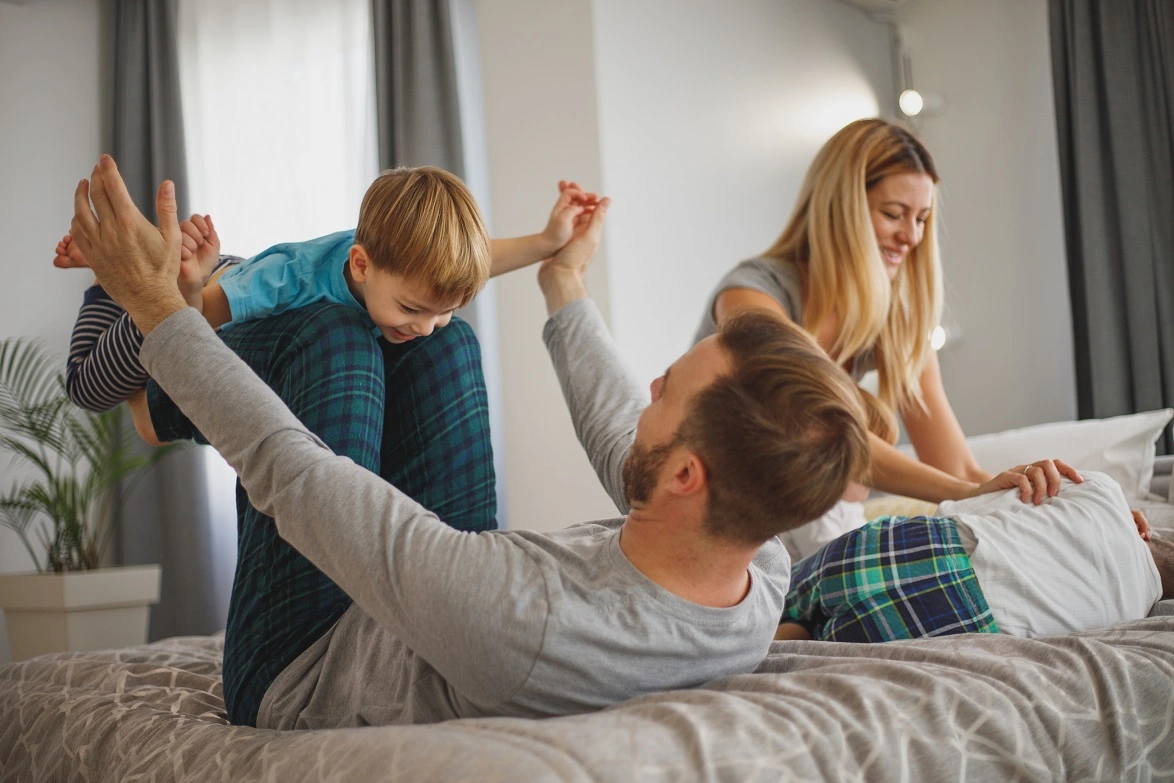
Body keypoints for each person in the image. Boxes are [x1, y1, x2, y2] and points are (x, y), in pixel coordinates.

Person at [69, 153, 886, 728]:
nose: (656, 381)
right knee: (439, 336)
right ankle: (205, 314)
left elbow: (299, 475)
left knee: (333, 331)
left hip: (302, 663)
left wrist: (159, 311)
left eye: (674, 384)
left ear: (684, 474)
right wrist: (561, 281)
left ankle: (152, 402)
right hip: (431, 607)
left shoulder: (522, 621)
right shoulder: (757, 559)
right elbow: (619, 437)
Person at [695, 119, 1019, 557]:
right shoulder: (751, 296)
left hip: (801, 527)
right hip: (715, 519)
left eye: (922, 219)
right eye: (893, 214)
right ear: (839, 208)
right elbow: (827, 434)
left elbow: (957, 467)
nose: (912, 237)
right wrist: (962, 493)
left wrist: (1036, 501)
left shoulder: (892, 318)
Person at [56, 166, 599, 413]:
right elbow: (188, 320)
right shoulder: (288, 278)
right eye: (413, 309)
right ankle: (110, 271)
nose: (425, 328)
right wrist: (177, 286)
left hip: (237, 282)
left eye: (444, 313)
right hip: (204, 292)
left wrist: (549, 241)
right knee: (91, 385)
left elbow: (477, 262)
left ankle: (151, 252)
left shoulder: (402, 268)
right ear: (360, 265)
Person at [776, 470, 1172, 643]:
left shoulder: (1102, 490)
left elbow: (965, 510)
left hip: (932, 549)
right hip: (965, 622)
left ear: (1144, 529)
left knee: (776, 596)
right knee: (804, 639)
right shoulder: (1133, 619)